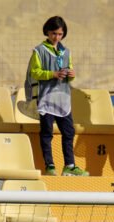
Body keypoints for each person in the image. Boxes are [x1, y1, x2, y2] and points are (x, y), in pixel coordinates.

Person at [25, 16, 89, 177]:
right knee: (47, 133)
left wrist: (72, 74)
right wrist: (52, 74)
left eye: (60, 34)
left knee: (68, 132)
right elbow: (34, 72)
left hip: (63, 100)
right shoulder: (39, 51)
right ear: (47, 32)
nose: (57, 37)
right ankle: (50, 165)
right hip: (46, 99)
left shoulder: (66, 52)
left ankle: (70, 165)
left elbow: (70, 71)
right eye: (54, 33)